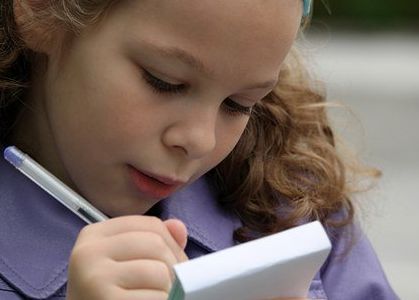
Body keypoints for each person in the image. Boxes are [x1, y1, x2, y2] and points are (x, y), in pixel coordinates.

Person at [0, 0, 398, 299]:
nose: (200, 140)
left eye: (239, 105)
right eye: (165, 82)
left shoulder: (294, 204)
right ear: (41, 11)